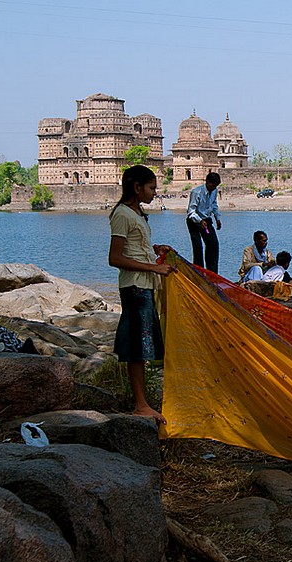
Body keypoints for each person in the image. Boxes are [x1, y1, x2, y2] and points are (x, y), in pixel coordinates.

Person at [108, 165, 174, 425]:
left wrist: (156, 250)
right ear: (136, 187)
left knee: (143, 344)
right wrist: (153, 267)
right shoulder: (122, 214)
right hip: (134, 286)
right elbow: (115, 257)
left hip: (144, 284)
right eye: (151, 188)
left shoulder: (137, 214)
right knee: (136, 345)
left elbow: (136, 249)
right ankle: (140, 404)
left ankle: (142, 401)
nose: (154, 193)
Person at [186, 172, 222, 272]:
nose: (214, 188)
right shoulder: (197, 192)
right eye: (213, 185)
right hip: (194, 222)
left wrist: (217, 218)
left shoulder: (214, 191)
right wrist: (199, 221)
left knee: (213, 244)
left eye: (216, 186)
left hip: (206, 222)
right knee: (198, 247)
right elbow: (191, 212)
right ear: (207, 182)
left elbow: (214, 204)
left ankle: (212, 272)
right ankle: (199, 272)